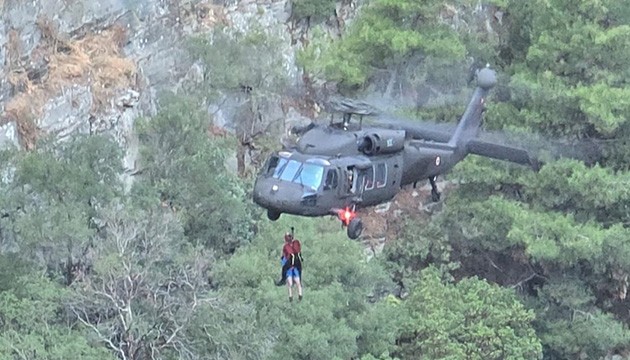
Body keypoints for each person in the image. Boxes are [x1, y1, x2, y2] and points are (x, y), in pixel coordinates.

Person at [276, 231, 303, 302]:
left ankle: (297, 295)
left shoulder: (293, 245)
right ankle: (293, 296)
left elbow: (293, 253)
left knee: (296, 282)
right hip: (292, 266)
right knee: (292, 282)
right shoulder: (288, 247)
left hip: (294, 265)